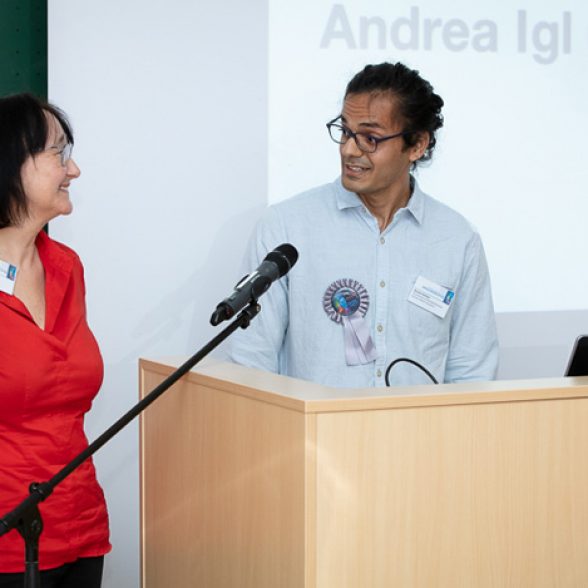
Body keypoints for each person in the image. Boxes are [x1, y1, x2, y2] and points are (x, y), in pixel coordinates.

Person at [227, 62, 498, 387]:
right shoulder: (287, 227)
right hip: (315, 434)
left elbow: (472, 374)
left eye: (370, 138)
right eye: (345, 131)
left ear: (417, 145)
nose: (349, 149)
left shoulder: (456, 239)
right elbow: (251, 363)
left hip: (419, 436)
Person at [0, 94, 110, 587]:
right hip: (6, 538)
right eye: (59, 154)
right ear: (11, 165)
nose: (75, 169)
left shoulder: (67, 267)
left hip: (80, 526)